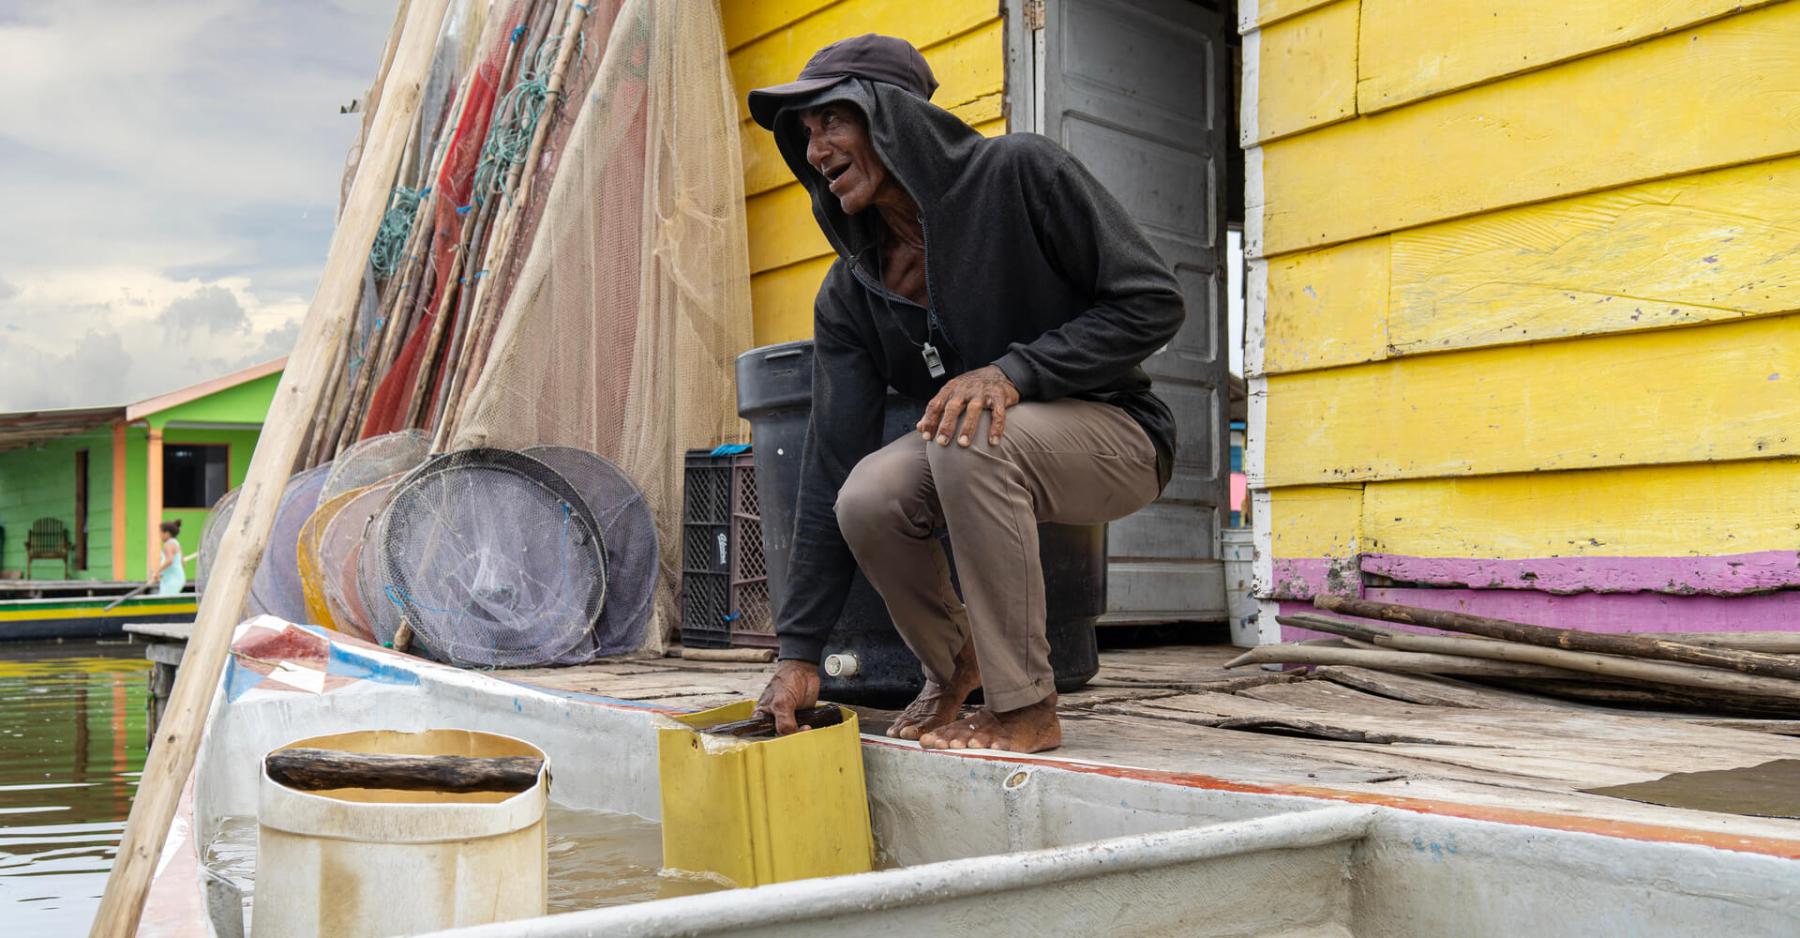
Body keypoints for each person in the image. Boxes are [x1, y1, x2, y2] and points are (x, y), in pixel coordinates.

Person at [747, 35, 1184, 754]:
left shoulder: (1020, 174)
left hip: (1119, 434)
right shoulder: (851, 292)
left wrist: (1016, 371)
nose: (816, 149)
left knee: (969, 429)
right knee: (867, 493)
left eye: (831, 121)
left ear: (889, 116)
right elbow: (829, 464)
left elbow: (1152, 302)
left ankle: (1026, 707)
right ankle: (956, 665)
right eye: (804, 134)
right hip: (985, 446)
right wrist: (799, 653)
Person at [151, 520, 186, 596]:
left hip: (172, 580)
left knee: (163, 599)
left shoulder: (168, 544)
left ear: (166, 534)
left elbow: (169, 560)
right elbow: (183, 563)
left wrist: (157, 571)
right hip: (175, 578)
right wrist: (163, 573)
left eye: (160, 533)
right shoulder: (176, 543)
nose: (159, 535)